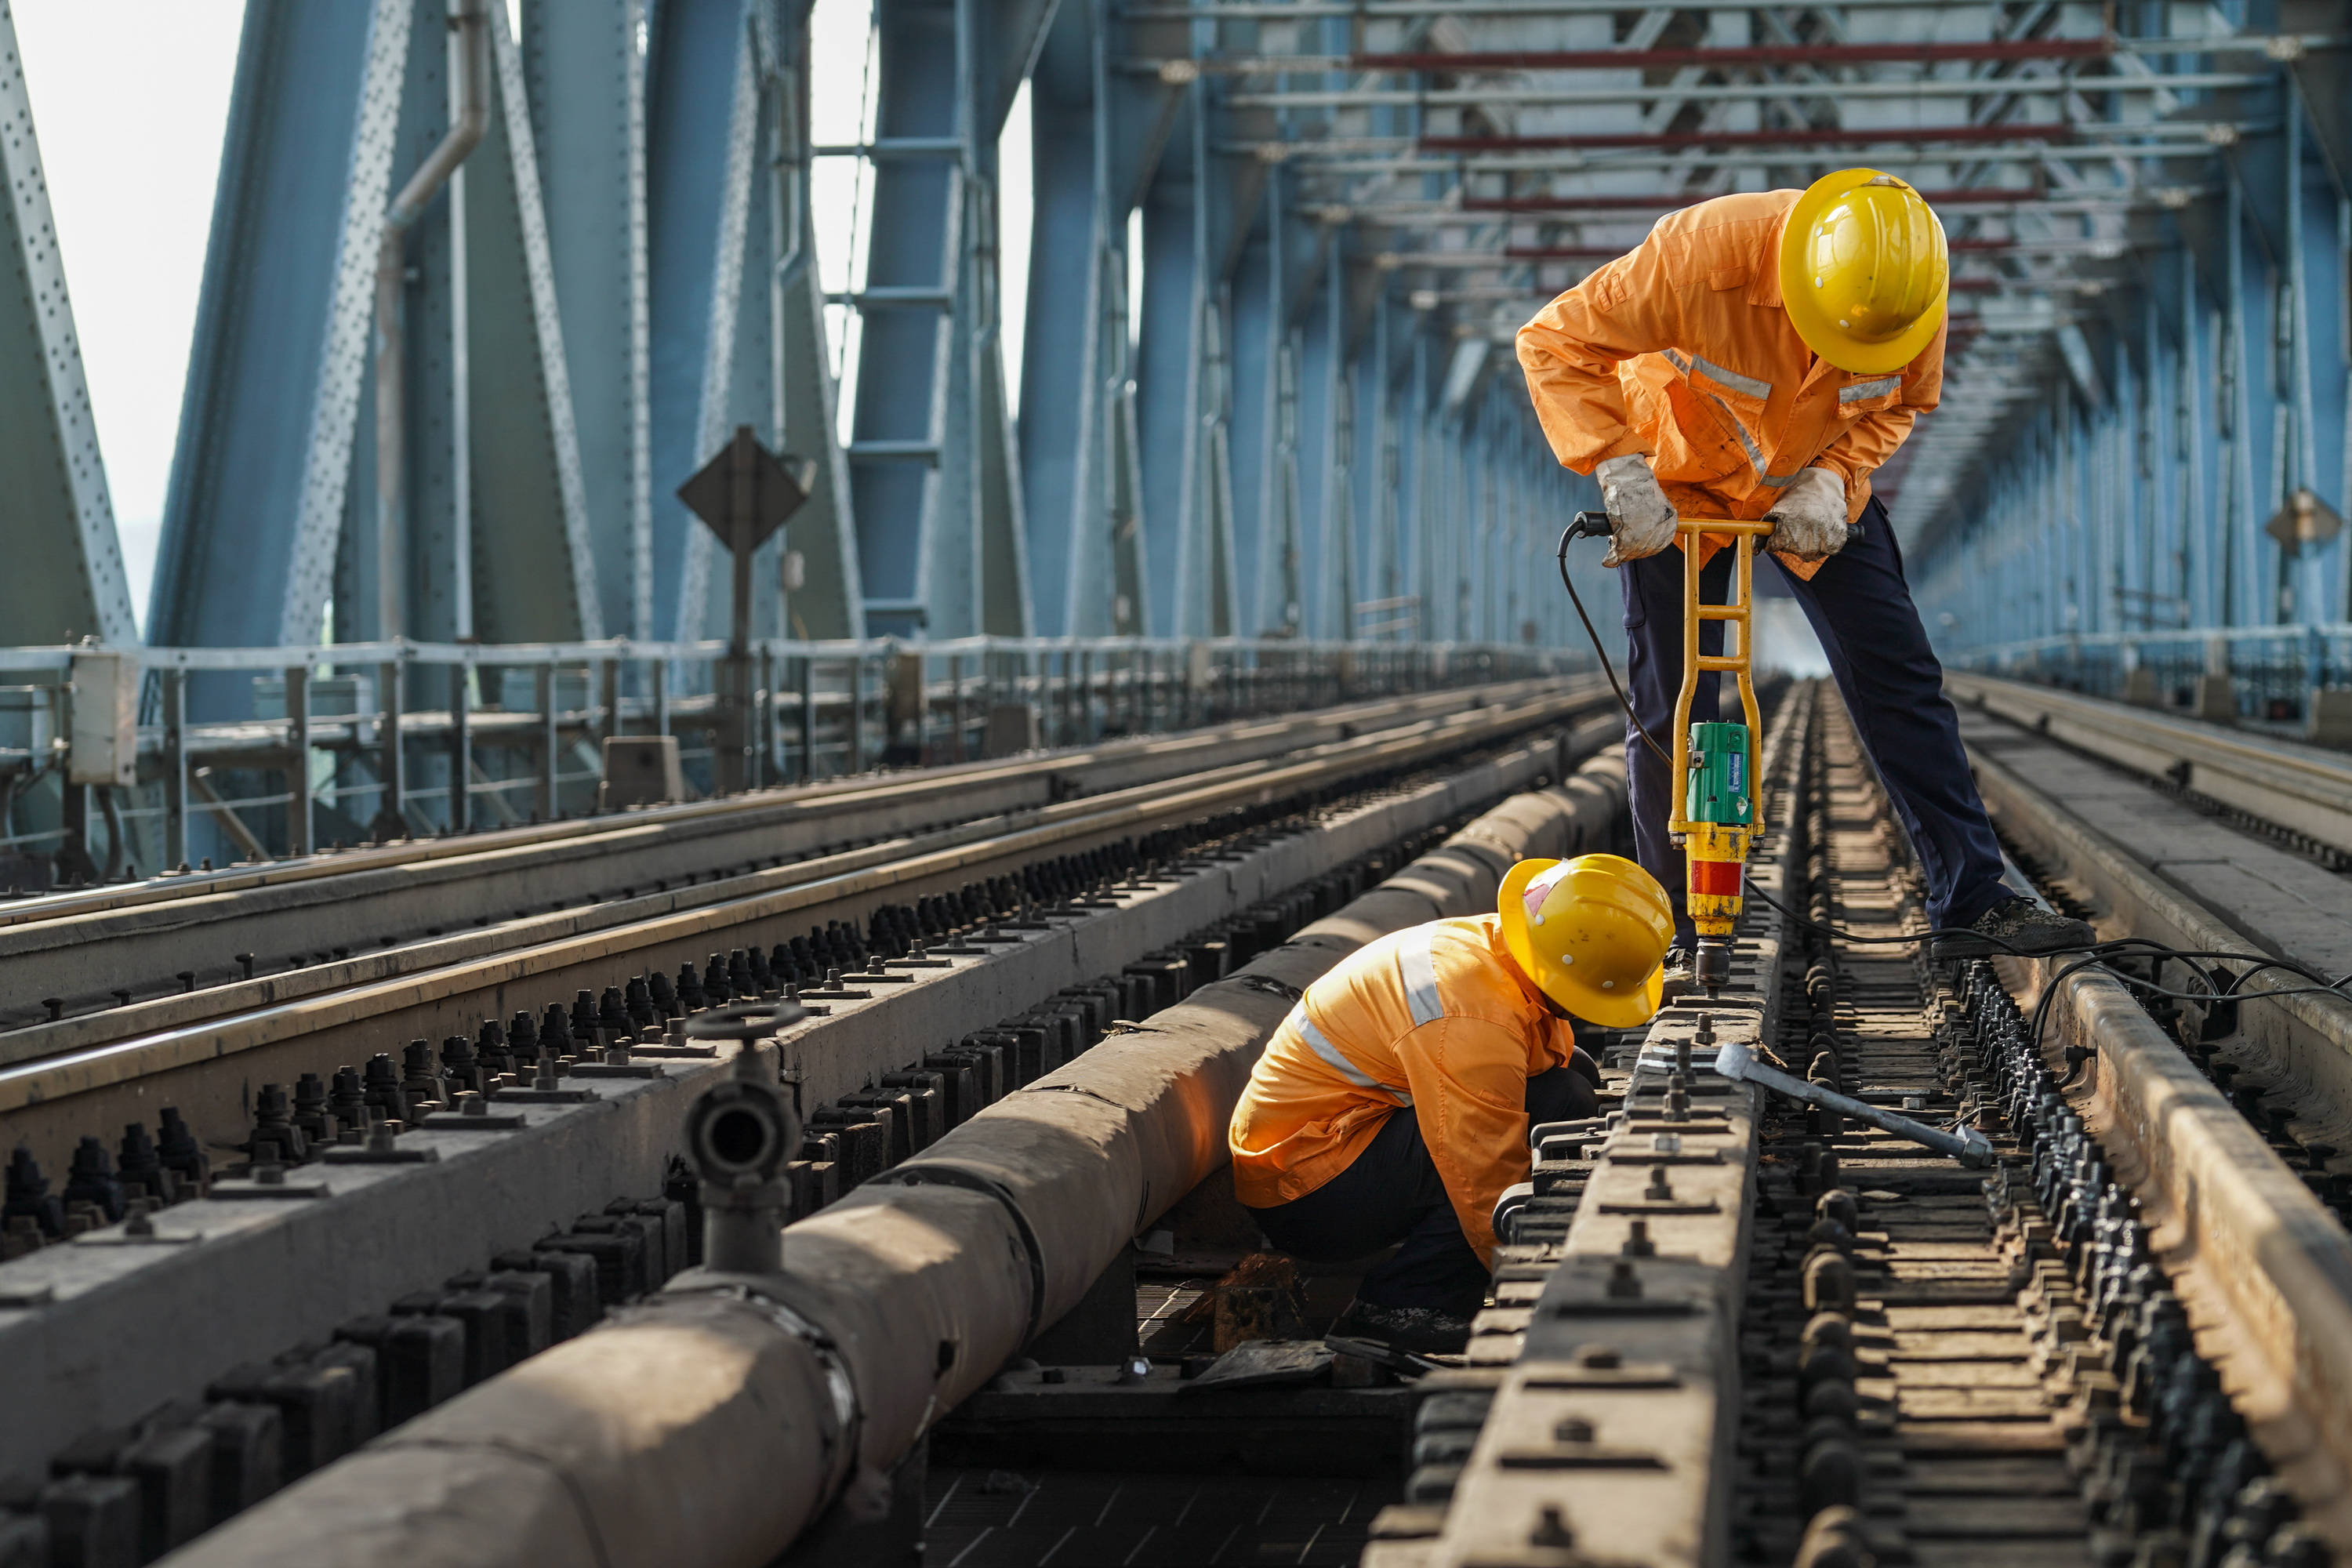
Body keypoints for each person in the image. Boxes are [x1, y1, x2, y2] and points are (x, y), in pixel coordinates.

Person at [1515, 169, 2092, 978]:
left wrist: (1834, 477)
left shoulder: (1910, 298)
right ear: (1802, 279)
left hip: (1811, 487)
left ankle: (1972, 900)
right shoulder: (1701, 256)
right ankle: (1676, 924)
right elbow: (1552, 341)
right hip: (1677, 484)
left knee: (1899, 675)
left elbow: (1899, 403)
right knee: (1671, 700)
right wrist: (1618, 465)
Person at [1229, 854, 1674, 1352]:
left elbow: (1544, 1060)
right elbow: (1481, 1173)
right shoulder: (1470, 1017)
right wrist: (1528, 1275)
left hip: (1326, 1150)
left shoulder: (1497, 950)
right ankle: (1405, 1303)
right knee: (1552, 1108)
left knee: (1572, 1081)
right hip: (1308, 1194)